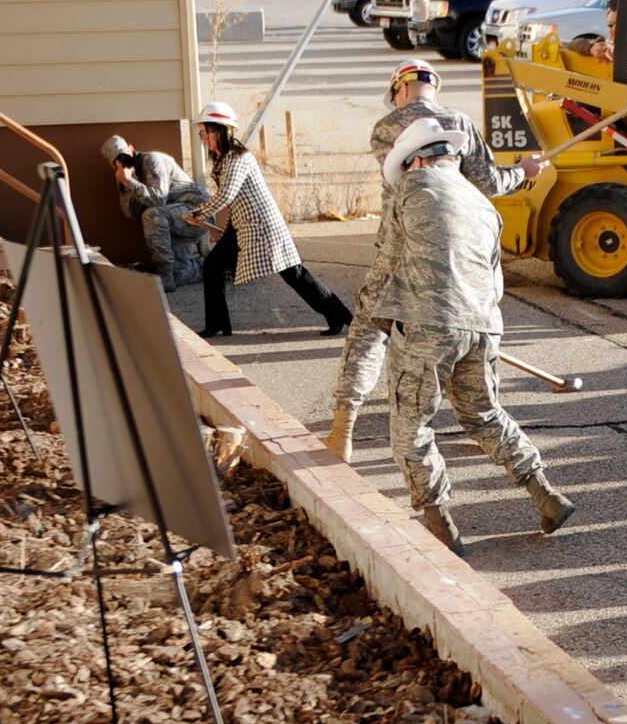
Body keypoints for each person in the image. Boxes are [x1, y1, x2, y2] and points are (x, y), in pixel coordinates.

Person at [374, 118, 576, 554]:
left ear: (416, 159)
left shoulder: (408, 190)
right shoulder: (483, 204)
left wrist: (371, 319)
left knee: (411, 424)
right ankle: (546, 495)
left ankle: (440, 524)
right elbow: (494, 282)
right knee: (484, 414)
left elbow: (385, 265)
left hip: (428, 324)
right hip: (483, 326)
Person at [327, 59, 545, 462]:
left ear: (403, 89)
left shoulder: (385, 129)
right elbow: (491, 184)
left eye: (394, 96)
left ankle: (343, 430)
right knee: (464, 330)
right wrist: (525, 171)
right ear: (432, 85)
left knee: (368, 332)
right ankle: (486, 426)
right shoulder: (457, 125)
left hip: (396, 243)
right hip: (451, 252)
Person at [188, 102, 351, 341]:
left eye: (207, 132)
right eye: (201, 133)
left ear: (222, 131)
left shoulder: (237, 158)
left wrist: (197, 214)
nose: (204, 138)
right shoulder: (224, 158)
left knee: (294, 274)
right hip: (242, 225)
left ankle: (339, 315)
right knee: (212, 265)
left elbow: (226, 195)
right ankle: (217, 324)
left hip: (263, 227)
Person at [99, 134, 208, 290]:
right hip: (174, 226)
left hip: (198, 213)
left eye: (125, 156)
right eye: (119, 160)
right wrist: (129, 184)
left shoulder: (152, 161)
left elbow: (158, 200)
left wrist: (132, 182)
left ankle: (164, 276)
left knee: (152, 215)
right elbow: (131, 214)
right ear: (114, 165)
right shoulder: (124, 179)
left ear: (132, 149)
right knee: (179, 274)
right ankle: (216, 266)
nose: (124, 162)